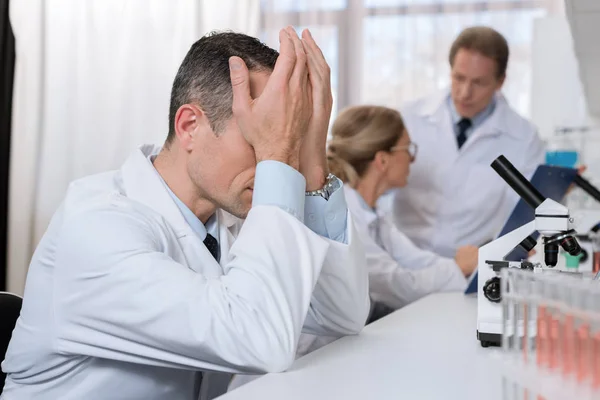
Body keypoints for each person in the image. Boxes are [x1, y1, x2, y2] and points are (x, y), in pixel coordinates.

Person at [0, 28, 370, 400]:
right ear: (190, 127)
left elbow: (341, 316)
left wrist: (311, 159)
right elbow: (258, 339)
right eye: (259, 135)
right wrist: (276, 153)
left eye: (282, 136)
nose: (275, 158)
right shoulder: (95, 229)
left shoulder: (231, 215)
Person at [385, 26, 545, 258]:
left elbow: (524, 215)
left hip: (471, 269)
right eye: (458, 78)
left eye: (479, 83)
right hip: (404, 262)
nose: (464, 93)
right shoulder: (409, 118)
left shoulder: (524, 137)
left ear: (500, 82)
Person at [327, 105, 478, 311]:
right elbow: (397, 285)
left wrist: (479, 260)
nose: (412, 159)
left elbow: (415, 260)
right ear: (382, 160)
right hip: (328, 342)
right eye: (407, 149)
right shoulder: (343, 216)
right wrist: (458, 267)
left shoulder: (374, 213)